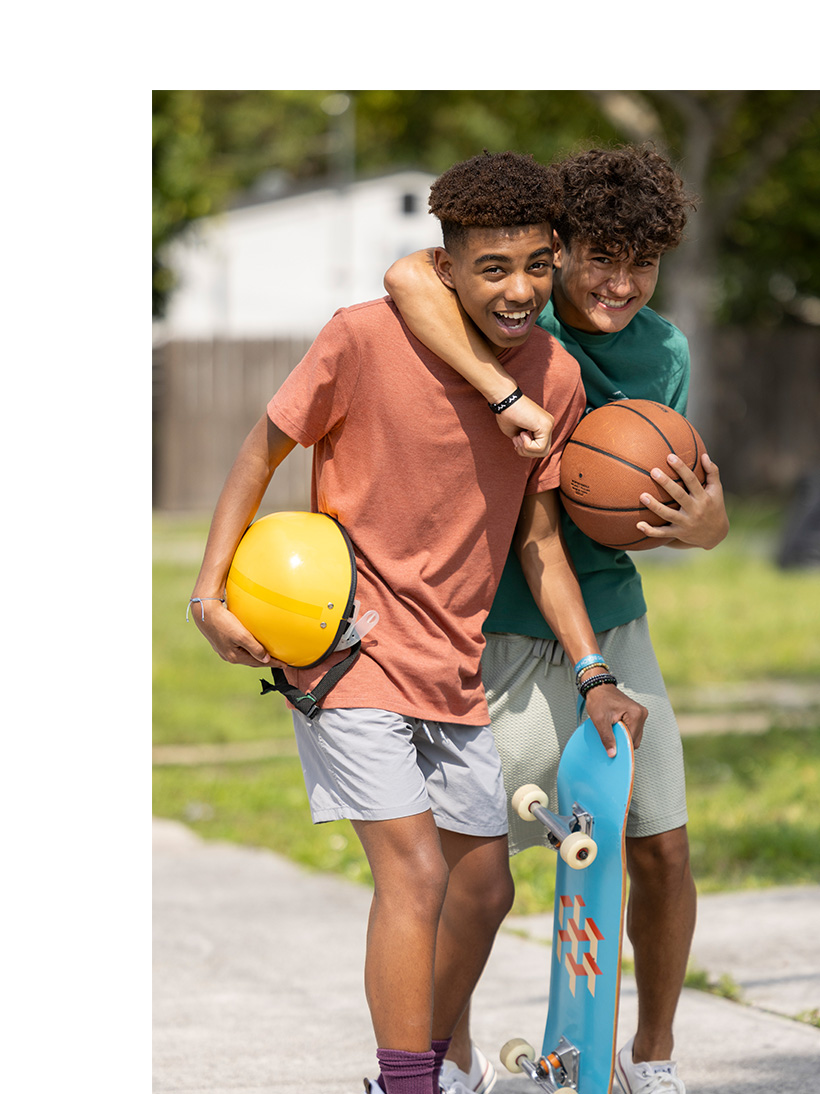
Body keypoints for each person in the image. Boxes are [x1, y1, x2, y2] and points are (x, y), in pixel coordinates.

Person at [188, 150, 647, 1094]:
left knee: (485, 887)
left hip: (452, 662)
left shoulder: (556, 379)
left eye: (537, 262)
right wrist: (208, 593)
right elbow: (261, 448)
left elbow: (540, 546)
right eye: (492, 268)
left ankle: (425, 1066)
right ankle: (406, 1084)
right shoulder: (360, 338)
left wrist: (594, 671)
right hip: (345, 652)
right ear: (445, 268)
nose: (520, 288)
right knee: (415, 874)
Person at [384, 144, 730, 1094]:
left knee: (661, 847)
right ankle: (444, 1063)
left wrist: (706, 525)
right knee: (468, 875)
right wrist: (500, 386)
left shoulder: (663, 352)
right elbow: (410, 271)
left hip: (611, 624)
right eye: (599, 256)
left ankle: (650, 1057)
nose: (620, 282)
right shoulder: (506, 322)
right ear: (557, 248)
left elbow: (678, 496)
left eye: (643, 262)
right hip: (493, 630)